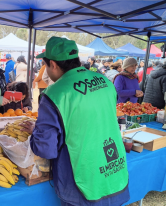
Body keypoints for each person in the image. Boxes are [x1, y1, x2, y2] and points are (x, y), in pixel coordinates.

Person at [21, 37, 130, 206]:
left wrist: (36, 133)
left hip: (83, 182)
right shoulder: (105, 82)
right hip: (114, 170)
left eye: (45, 64)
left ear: (53, 64)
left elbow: (46, 149)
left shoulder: (54, 94)